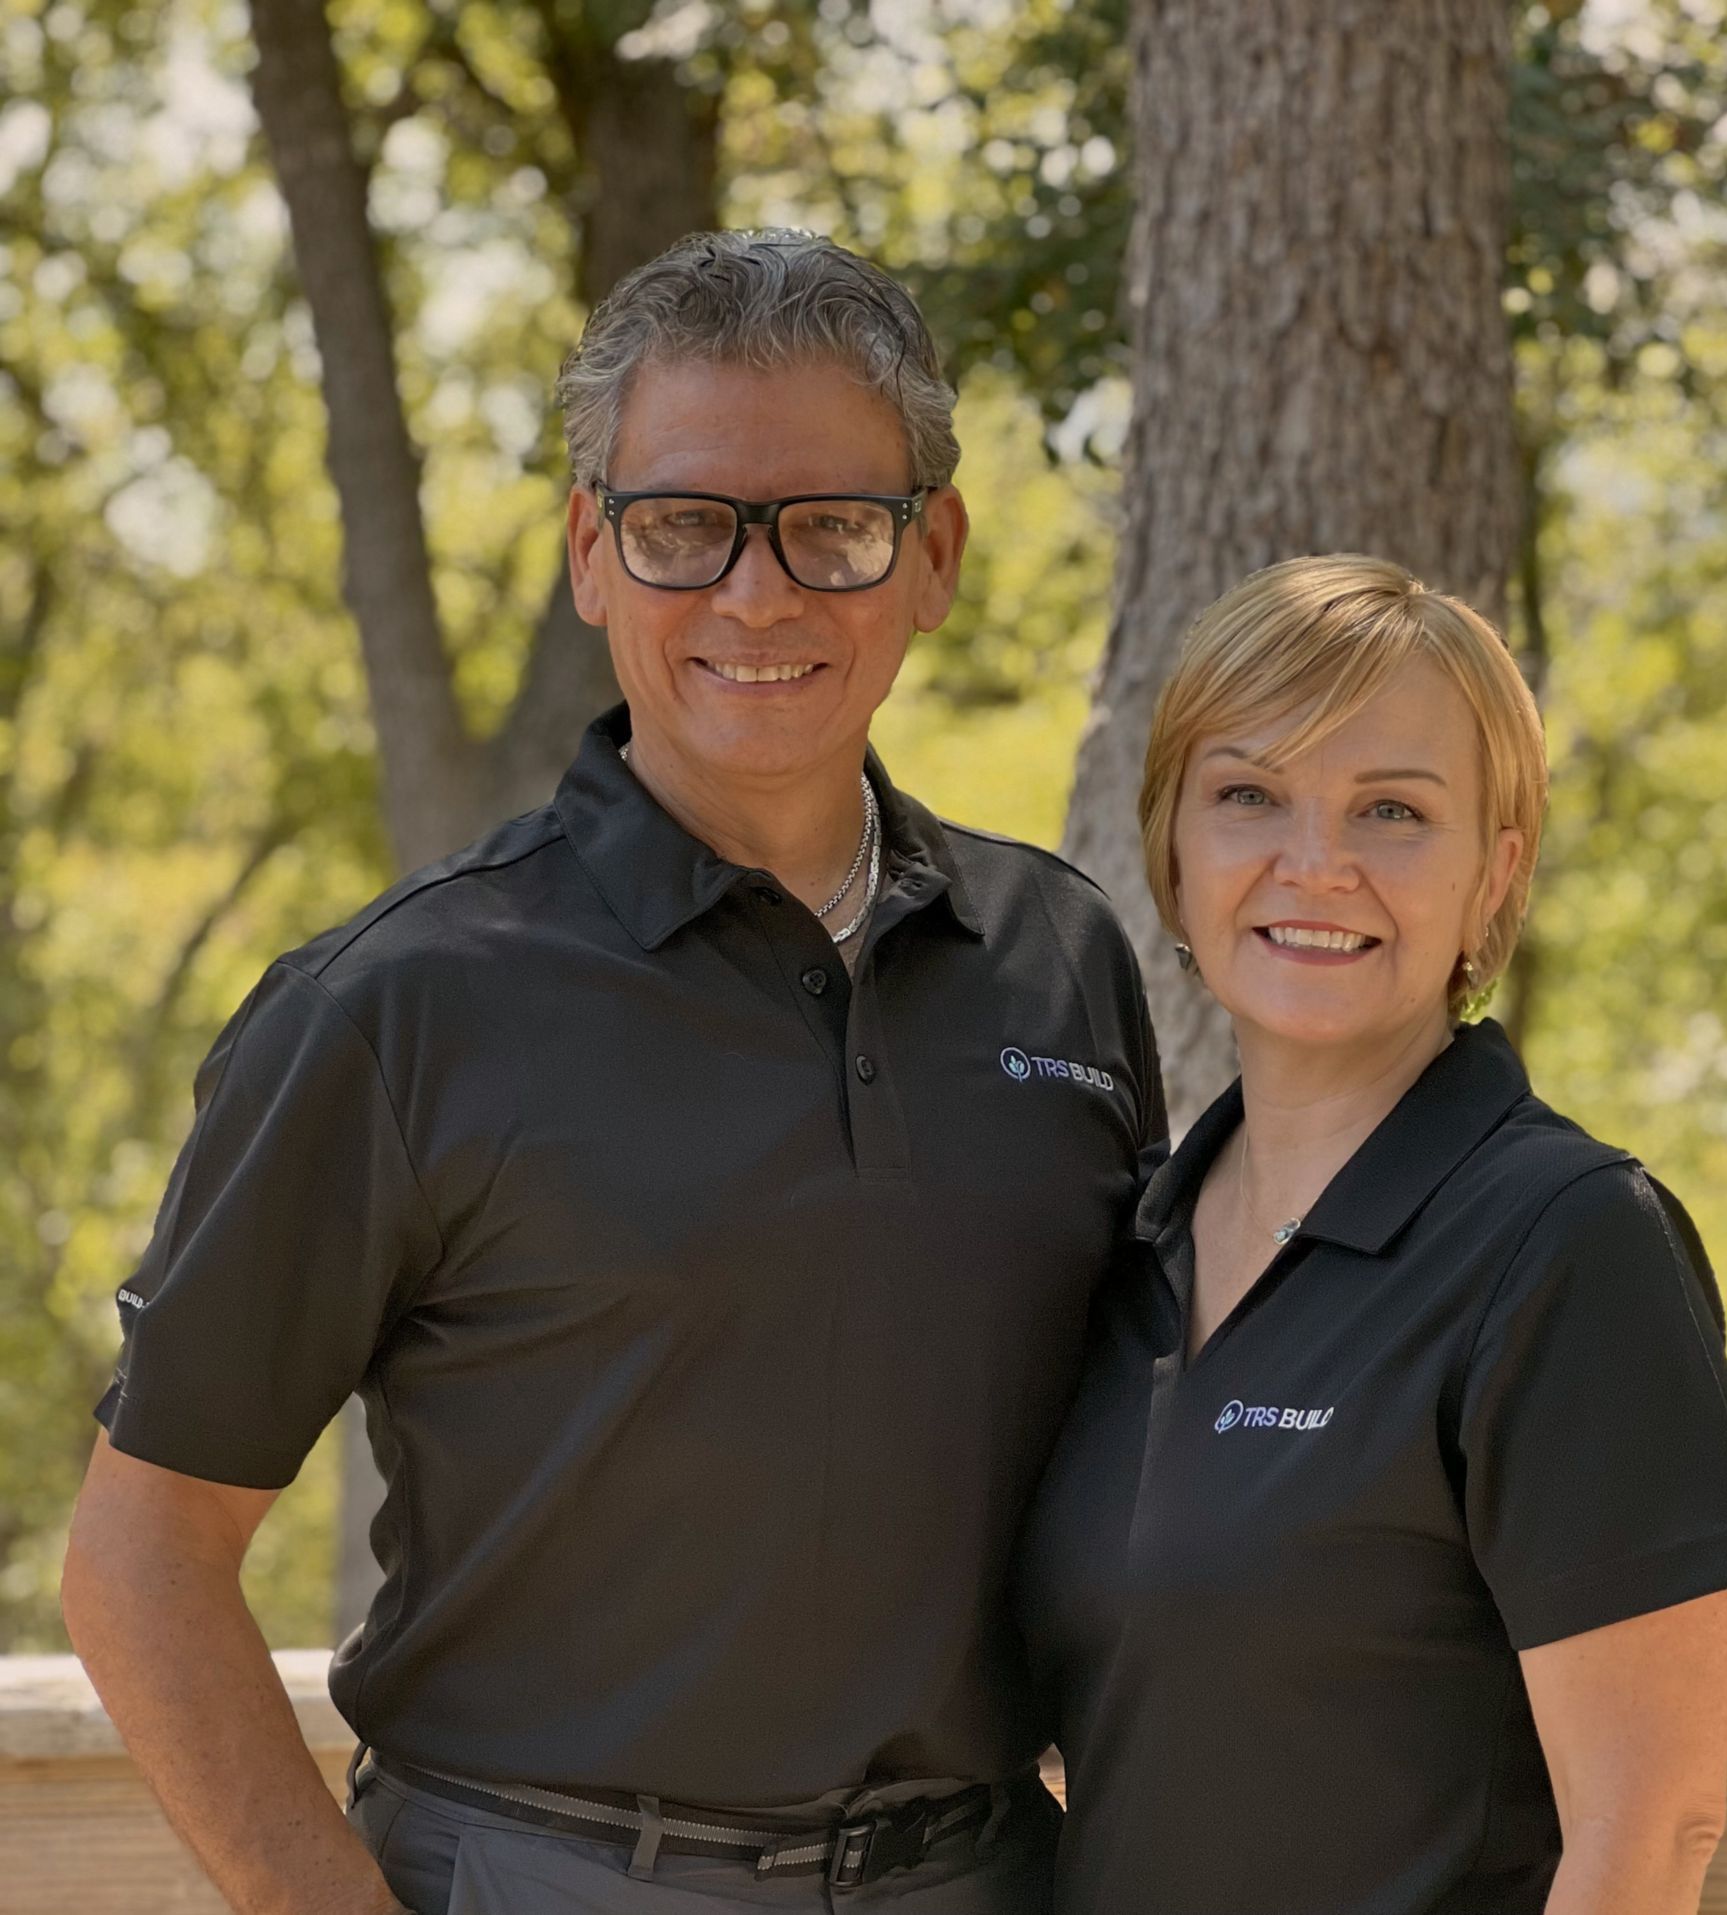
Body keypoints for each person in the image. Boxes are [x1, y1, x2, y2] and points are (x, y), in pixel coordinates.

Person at [62, 230, 1166, 1915]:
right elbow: (143, 1558)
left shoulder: (1063, 957)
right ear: (592, 550)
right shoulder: (396, 1008)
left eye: (832, 528)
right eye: (683, 528)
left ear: (932, 554)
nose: (757, 595)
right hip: (544, 1875)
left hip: (993, 1874)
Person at [1017, 554, 1727, 1915]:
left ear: (1496, 874)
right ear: (1172, 848)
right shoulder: (1127, 1249)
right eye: (1249, 795)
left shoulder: (1567, 1246)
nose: (1317, 865)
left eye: (1392, 811)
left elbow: (1653, 1832)